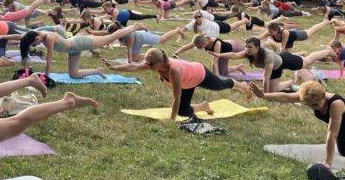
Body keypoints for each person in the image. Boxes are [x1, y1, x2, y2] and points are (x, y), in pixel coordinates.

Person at [105, 48, 253, 120]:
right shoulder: (152, 64)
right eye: (147, 63)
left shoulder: (174, 70)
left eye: (150, 64)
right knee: (183, 112)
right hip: (187, 83)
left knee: (220, 85)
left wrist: (171, 120)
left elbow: (176, 97)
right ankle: (203, 106)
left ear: (161, 61)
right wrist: (114, 67)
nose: (147, 66)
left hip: (199, 74)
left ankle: (242, 86)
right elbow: (133, 66)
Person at [250, 80, 344, 168]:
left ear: (323, 95)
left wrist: (327, 162)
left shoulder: (336, 104)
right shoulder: (310, 96)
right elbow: (286, 97)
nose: (313, 107)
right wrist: (263, 95)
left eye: (315, 104)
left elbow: (332, 134)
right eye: (309, 105)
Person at [19, 23, 147, 79]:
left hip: (80, 43)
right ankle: (98, 71)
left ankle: (134, 27)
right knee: (73, 75)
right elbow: (22, 37)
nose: (36, 46)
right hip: (72, 50)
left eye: (34, 44)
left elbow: (49, 59)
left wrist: (46, 78)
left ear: (36, 38)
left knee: (110, 37)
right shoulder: (38, 34)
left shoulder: (49, 37)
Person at [214, 37, 337, 92]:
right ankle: (289, 83)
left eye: (249, 47)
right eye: (246, 46)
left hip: (286, 60)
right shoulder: (249, 53)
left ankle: (328, 51)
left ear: (257, 47)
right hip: (276, 68)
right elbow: (234, 55)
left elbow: (266, 77)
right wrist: (219, 55)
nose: (247, 49)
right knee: (274, 91)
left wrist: (265, 95)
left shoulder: (267, 56)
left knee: (308, 60)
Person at [106, 21, 182, 63]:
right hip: (137, 42)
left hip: (143, 37)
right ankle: (155, 55)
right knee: (135, 59)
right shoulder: (120, 32)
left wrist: (129, 63)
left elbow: (129, 49)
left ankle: (177, 30)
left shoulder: (128, 34)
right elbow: (109, 37)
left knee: (162, 40)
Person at [172, 35, 246, 76]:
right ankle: (238, 67)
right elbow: (186, 47)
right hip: (222, 53)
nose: (197, 48)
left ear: (204, 44)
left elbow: (215, 62)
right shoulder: (199, 40)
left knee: (249, 53)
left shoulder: (216, 43)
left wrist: (216, 78)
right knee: (223, 72)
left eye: (199, 47)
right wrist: (175, 54)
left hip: (233, 46)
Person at [258, 20, 330, 51]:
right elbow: (259, 37)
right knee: (288, 55)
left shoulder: (284, 32)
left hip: (295, 35)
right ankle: (303, 54)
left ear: (276, 30)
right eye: (268, 31)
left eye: (270, 31)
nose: (268, 33)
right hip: (289, 38)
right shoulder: (269, 32)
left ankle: (324, 22)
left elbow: (282, 47)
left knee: (311, 30)